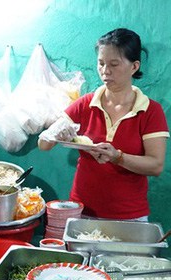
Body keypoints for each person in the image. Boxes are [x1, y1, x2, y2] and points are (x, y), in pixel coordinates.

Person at [38, 28, 169, 220]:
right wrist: (55, 134)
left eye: (114, 64)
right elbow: (43, 144)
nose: (105, 71)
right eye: (101, 64)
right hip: (82, 212)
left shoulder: (150, 111)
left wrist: (117, 157)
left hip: (129, 216)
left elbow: (156, 166)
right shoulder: (86, 103)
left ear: (134, 66)